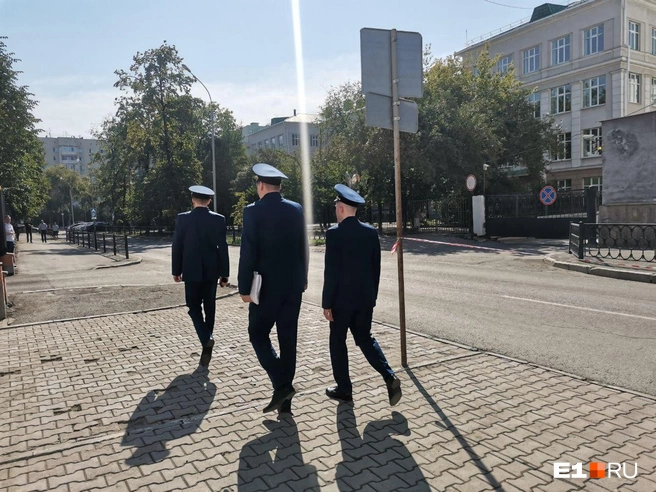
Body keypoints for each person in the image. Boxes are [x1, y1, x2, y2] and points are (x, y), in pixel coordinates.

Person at [322, 184, 402, 406]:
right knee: (365, 339)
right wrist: (371, 298)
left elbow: (331, 272)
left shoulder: (334, 234)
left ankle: (344, 389)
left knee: (338, 342)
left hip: (340, 303)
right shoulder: (370, 233)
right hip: (365, 300)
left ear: (341, 208)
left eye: (337, 206)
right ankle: (389, 376)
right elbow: (376, 269)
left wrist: (327, 303)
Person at [238, 163, 309, 414]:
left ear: (260, 186)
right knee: (288, 340)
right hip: (292, 287)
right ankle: (285, 402)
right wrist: (303, 279)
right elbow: (303, 247)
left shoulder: (252, 211)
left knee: (257, 334)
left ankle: (281, 385)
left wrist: (244, 288)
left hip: (264, 289)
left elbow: (248, 252)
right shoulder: (296, 209)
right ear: (278, 187)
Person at [172, 185, 230, 368]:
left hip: (191, 271)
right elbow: (223, 248)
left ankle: (206, 338)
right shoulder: (219, 220)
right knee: (210, 306)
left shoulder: (183, 219)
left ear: (192, 200)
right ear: (209, 201)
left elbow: (177, 246)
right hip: (212, 272)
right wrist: (225, 274)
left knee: (193, 306)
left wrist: (176, 270)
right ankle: (207, 342)